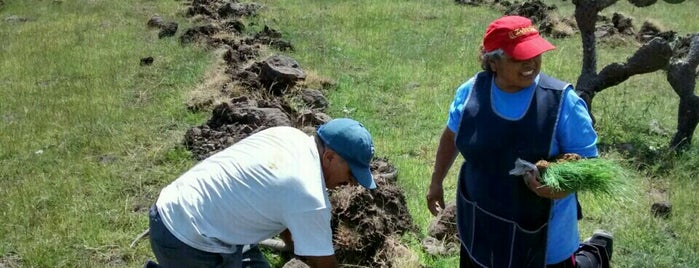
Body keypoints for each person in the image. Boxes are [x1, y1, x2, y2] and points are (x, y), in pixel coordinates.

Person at [425, 16, 613, 268]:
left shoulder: (562, 103)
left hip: (544, 241)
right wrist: (436, 181)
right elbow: (452, 136)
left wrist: (559, 189)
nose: (531, 63)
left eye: (535, 53)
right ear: (493, 62)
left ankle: (595, 253)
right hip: (481, 228)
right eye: (518, 57)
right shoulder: (470, 93)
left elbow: (589, 165)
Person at [145, 118, 376, 268]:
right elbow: (324, 266)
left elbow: (281, 204)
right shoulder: (309, 197)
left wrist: (296, 248)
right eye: (351, 173)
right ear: (329, 158)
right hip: (188, 240)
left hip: (181, 208)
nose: (352, 183)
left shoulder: (290, 136)